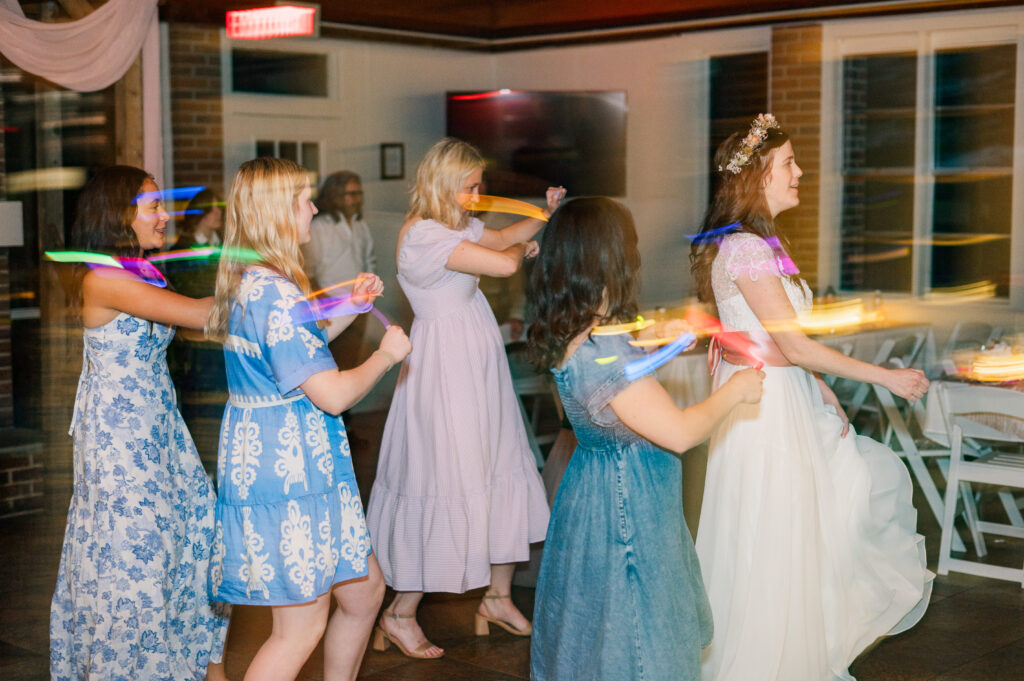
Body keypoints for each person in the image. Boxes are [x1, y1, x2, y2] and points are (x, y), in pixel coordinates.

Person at [689, 114, 933, 681]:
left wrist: (820, 389)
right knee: (773, 531)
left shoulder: (764, 243)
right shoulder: (747, 249)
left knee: (811, 521)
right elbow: (794, 347)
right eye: (789, 164)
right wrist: (886, 377)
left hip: (783, 398)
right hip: (763, 412)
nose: (800, 172)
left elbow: (772, 340)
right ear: (757, 176)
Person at [525, 197, 765, 681]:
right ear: (609, 258)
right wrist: (737, 390)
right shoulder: (603, 351)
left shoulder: (576, 333)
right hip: (626, 507)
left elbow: (615, 380)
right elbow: (680, 433)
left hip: (592, 496)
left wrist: (656, 337)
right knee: (639, 641)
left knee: (600, 640)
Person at [204, 157, 412, 681]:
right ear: (277, 212)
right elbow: (333, 394)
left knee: (364, 592)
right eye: (303, 200)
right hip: (288, 470)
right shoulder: (273, 293)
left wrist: (352, 308)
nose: (314, 208)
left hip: (297, 462)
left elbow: (301, 357)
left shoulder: (256, 282)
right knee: (296, 630)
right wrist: (386, 355)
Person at [365, 138, 560, 659]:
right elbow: (504, 263)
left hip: (477, 357)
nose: (478, 194)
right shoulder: (423, 234)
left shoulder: (457, 225)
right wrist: (522, 251)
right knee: (448, 475)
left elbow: (502, 237)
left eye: (479, 185)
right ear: (443, 183)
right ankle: (399, 612)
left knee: (498, 464)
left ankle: (496, 596)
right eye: (470, 186)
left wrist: (543, 215)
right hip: (444, 366)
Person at [50, 166, 230, 681]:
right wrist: (259, 276)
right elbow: (198, 315)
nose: (164, 215)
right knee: (138, 562)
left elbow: (192, 329)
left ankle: (197, 666)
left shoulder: (143, 274)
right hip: (120, 443)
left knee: (197, 536)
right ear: (118, 217)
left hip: (161, 431)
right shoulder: (103, 278)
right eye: (152, 206)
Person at [302, 171, 376, 370]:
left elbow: (368, 261)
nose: (355, 199)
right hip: (332, 305)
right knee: (333, 364)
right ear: (334, 196)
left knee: (353, 360)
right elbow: (309, 272)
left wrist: (368, 296)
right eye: (349, 194)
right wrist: (325, 304)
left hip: (360, 305)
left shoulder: (360, 224)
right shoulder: (319, 227)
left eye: (358, 193)